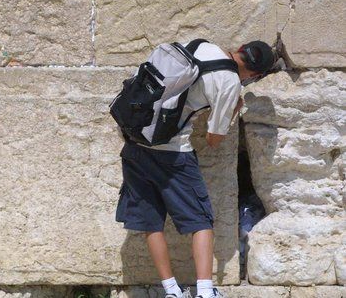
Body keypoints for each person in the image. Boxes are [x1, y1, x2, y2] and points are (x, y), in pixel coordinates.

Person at [115, 40, 276, 298]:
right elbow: (214, 140)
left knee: (150, 221)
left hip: (135, 143)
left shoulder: (202, 46)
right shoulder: (230, 82)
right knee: (200, 220)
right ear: (255, 74)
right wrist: (233, 109)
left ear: (241, 46)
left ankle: (171, 291)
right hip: (173, 154)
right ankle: (204, 291)